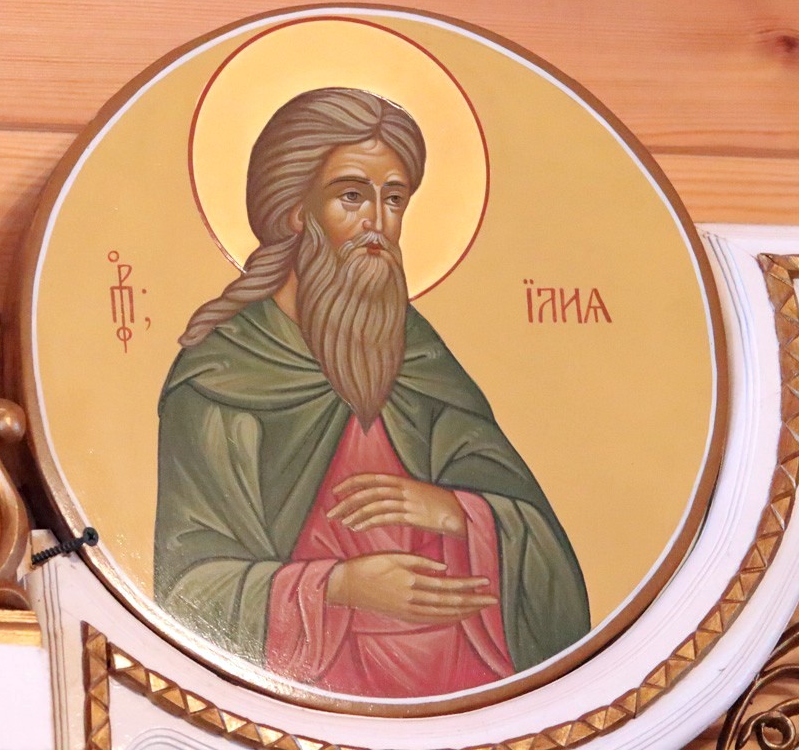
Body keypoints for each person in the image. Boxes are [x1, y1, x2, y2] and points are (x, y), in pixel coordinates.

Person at [155, 87, 590, 698]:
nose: (377, 224)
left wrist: (454, 511)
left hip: (467, 699)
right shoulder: (223, 376)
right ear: (295, 211)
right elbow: (186, 589)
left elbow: (544, 554)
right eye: (352, 196)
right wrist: (340, 587)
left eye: (394, 199)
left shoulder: (418, 355)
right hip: (304, 702)